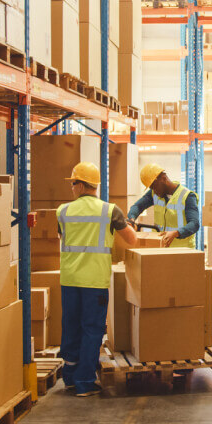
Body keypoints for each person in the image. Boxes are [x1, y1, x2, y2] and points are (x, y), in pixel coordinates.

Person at [57, 162, 138, 397]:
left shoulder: (62, 210)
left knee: (70, 325)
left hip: (70, 279)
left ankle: (70, 378)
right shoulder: (110, 210)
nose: (72, 188)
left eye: (73, 184)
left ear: (81, 185)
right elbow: (131, 240)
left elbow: (63, 235)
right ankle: (84, 382)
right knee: (91, 330)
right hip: (94, 282)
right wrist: (127, 224)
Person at [127, 163, 201, 248]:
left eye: (154, 186)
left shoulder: (187, 196)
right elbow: (137, 206)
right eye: (151, 188)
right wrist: (131, 219)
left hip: (183, 250)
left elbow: (194, 224)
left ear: (163, 178)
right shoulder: (154, 194)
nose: (154, 191)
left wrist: (176, 233)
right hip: (161, 248)